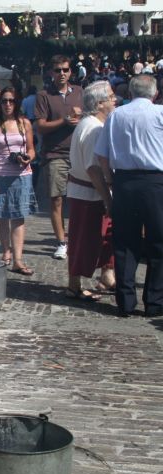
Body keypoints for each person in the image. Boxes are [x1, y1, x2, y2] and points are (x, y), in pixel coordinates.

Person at [94, 74, 163, 317]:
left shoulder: (116, 116)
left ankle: (125, 301)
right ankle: (154, 301)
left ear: (130, 93)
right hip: (155, 183)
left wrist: (110, 179)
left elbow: (101, 154)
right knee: (158, 242)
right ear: (154, 94)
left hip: (124, 182)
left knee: (124, 243)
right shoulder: (160, 114)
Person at [66, 81, 116, 302]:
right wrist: (107, 197)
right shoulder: (93, 127)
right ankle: (74, 285)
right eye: (111, 97)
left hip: (87, 192)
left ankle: (106, 274)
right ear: (100, 103)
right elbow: (93, 168)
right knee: (83, 240)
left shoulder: (91, 124)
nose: (115, 100)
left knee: (102, 237)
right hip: (89, 194)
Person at [34, 55, 84, 260]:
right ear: (51, 73)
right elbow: (41, 126)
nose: (61, 73)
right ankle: (61, 241)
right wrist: (64, 121)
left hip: (79, 152)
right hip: (55, 154)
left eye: (65, 69)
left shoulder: (80, 92)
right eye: (57, 70)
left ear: (70, 71)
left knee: (80, 199)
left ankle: (78, 239)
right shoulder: (44, 95)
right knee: (56, 200)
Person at [0, 87, 37, 276]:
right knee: (1, 215)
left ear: (17, 103)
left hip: (21, 175)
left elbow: (31, 149)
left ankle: (18, 260)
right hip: (0, 175)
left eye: (11, 100)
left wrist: (27, 158)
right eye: (4, 101)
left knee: (18, 216)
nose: (8, 104)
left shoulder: (25, 123)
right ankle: (5, 250)